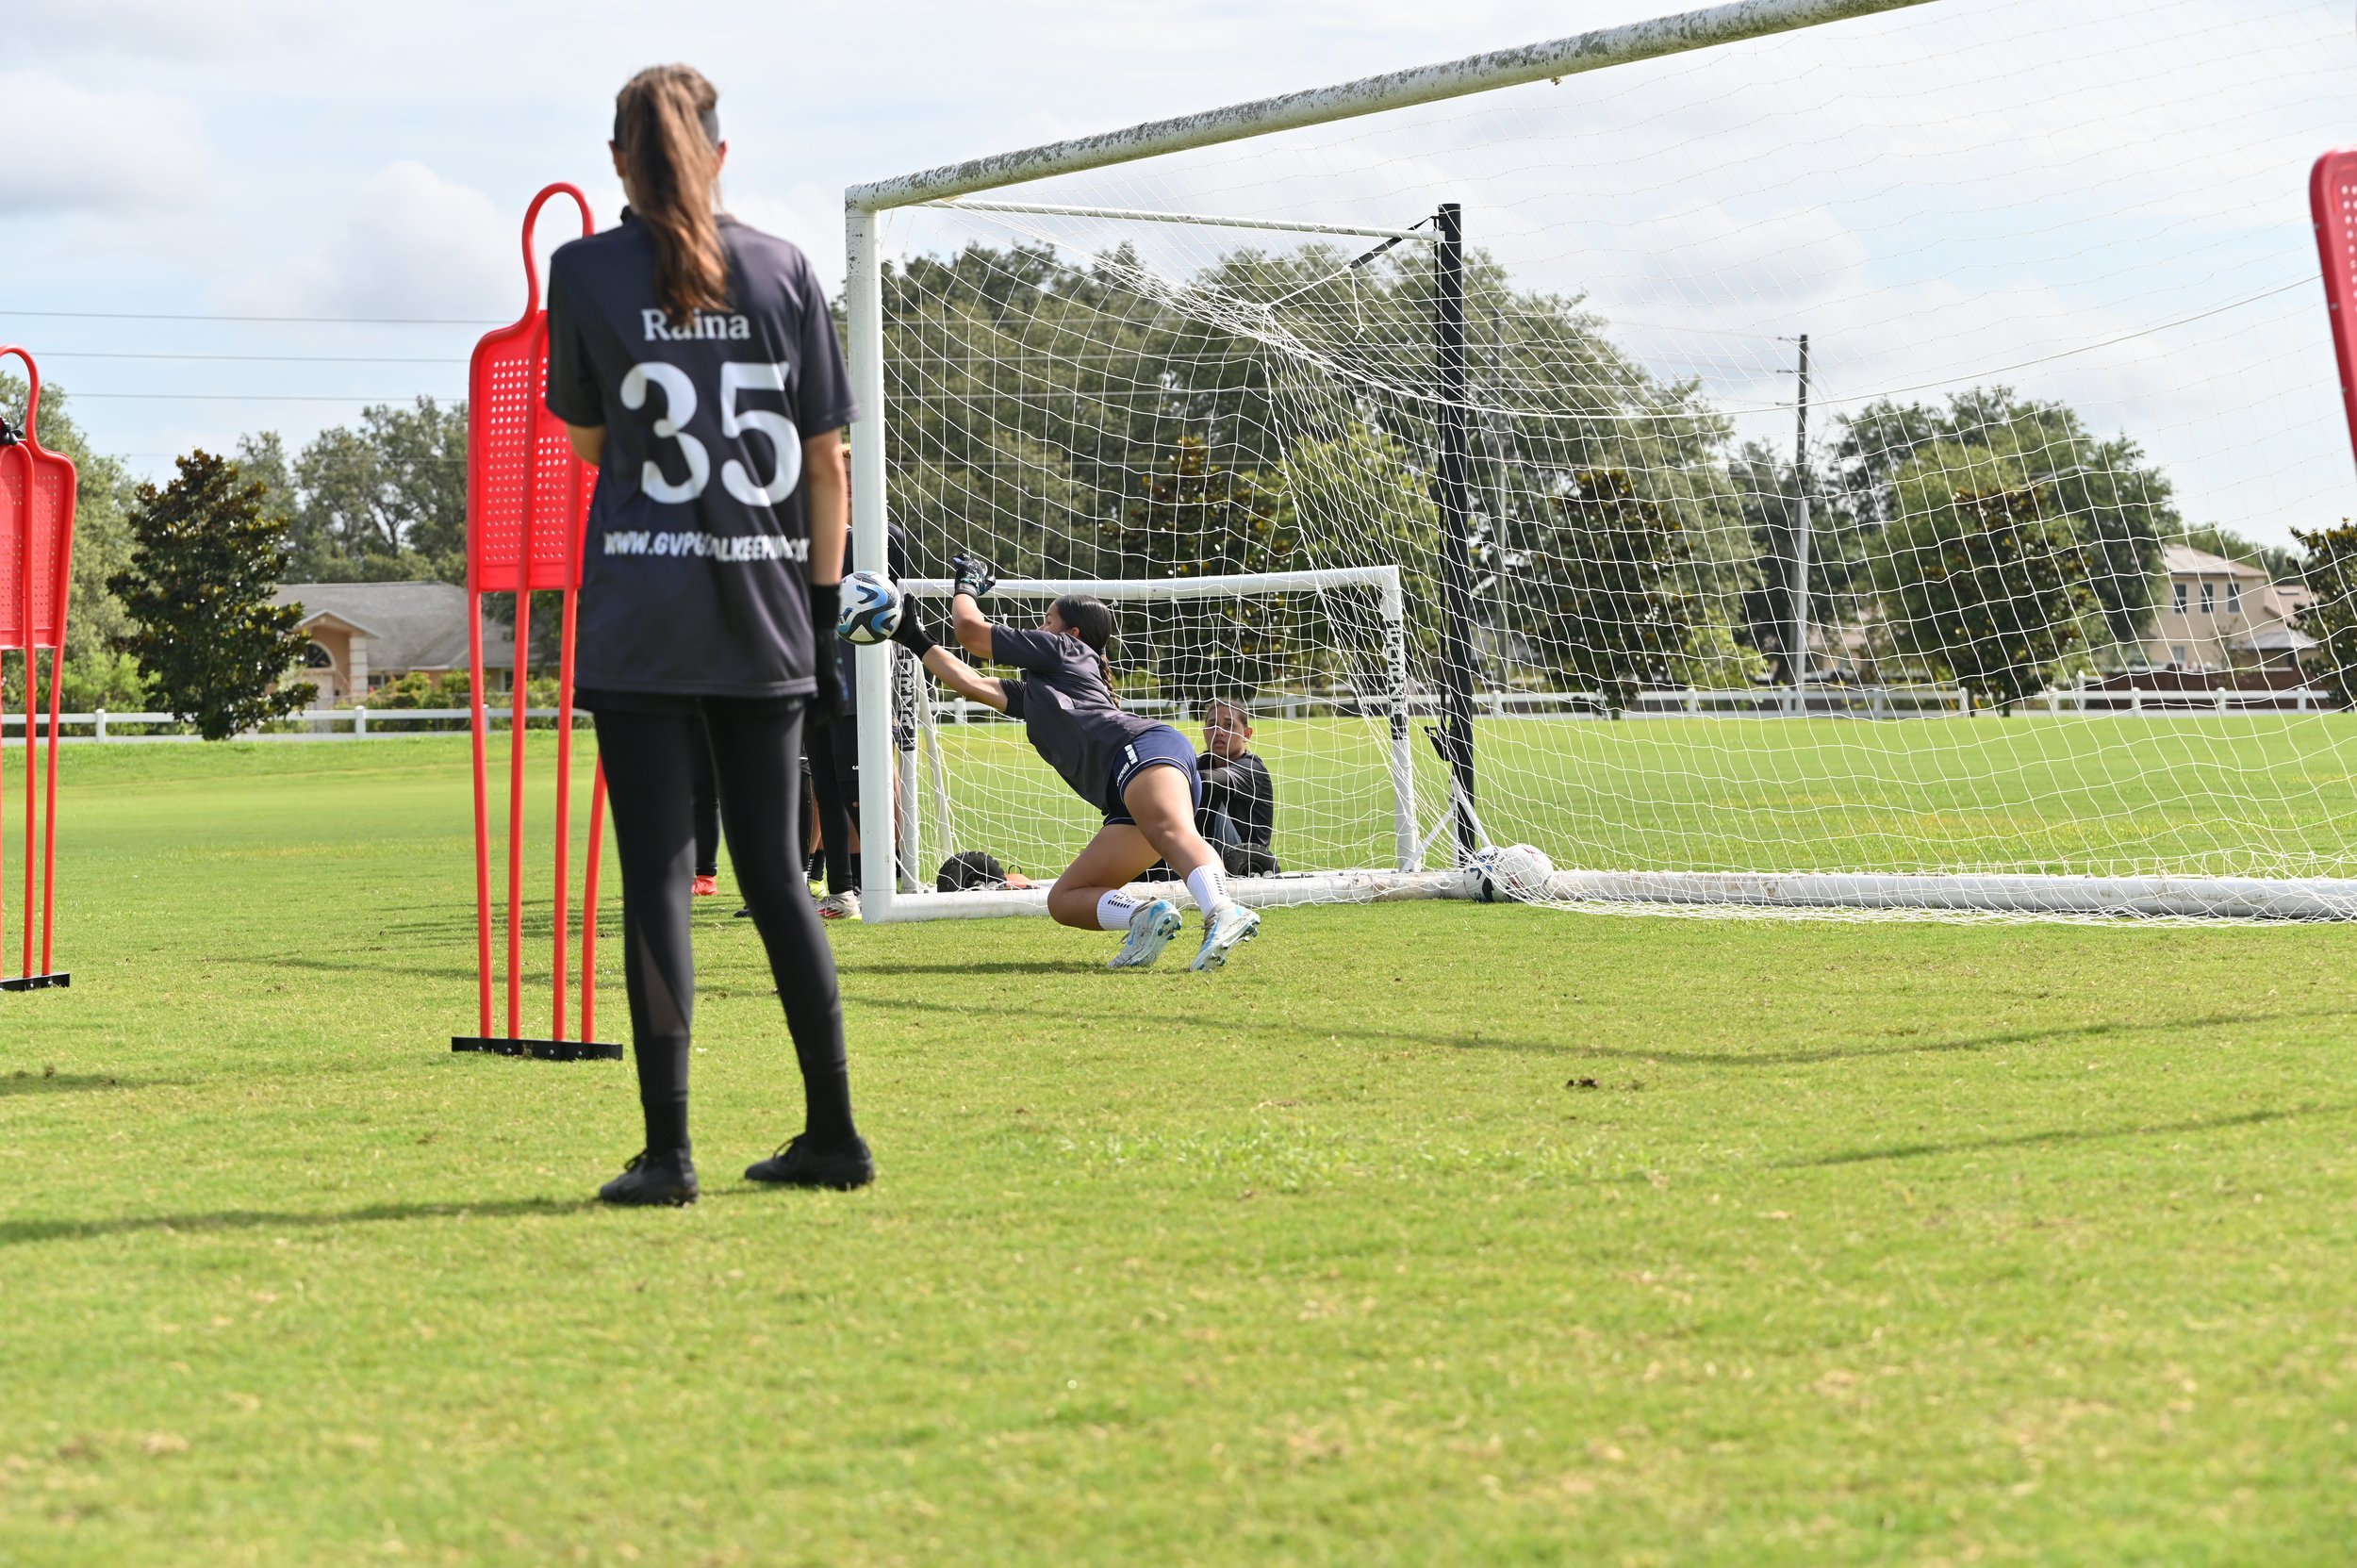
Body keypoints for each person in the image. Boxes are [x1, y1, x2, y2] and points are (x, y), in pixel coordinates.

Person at [547, 63, 870, 1205]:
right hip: (765, 609)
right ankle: (834, 1132)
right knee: (778, 877)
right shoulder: (784, 267)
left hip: (642, 611)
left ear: (617, 163)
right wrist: (819, 616)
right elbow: (827, 464)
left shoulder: (583, 268)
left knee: (656, 879)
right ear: (719, 156)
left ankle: (668, 1153)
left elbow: (591, 443)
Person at [890, 556, 1261, 971]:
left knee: (1171, 832)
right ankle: (1145, 917)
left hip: (1141, 751)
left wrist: (966, 587)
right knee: (1065, 898)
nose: (1040, 627)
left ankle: (1223, 911)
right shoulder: (1044, 687)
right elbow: (970, 681)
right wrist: (913, 637)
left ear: (1073, 632)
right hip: (1125, 787)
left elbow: (970, 632)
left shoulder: (1064, 648)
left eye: (1047, 620)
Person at [1197, 699, 1277, 877]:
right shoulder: (1201, 763)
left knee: (1206, 790)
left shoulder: (1252, 768)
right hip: (1207, 852)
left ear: (1246, 734)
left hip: (1244, 862)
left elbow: (1206, 781)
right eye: (1212, 725)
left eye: (1229, 725)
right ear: (1205, 732)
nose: (1219, 732)